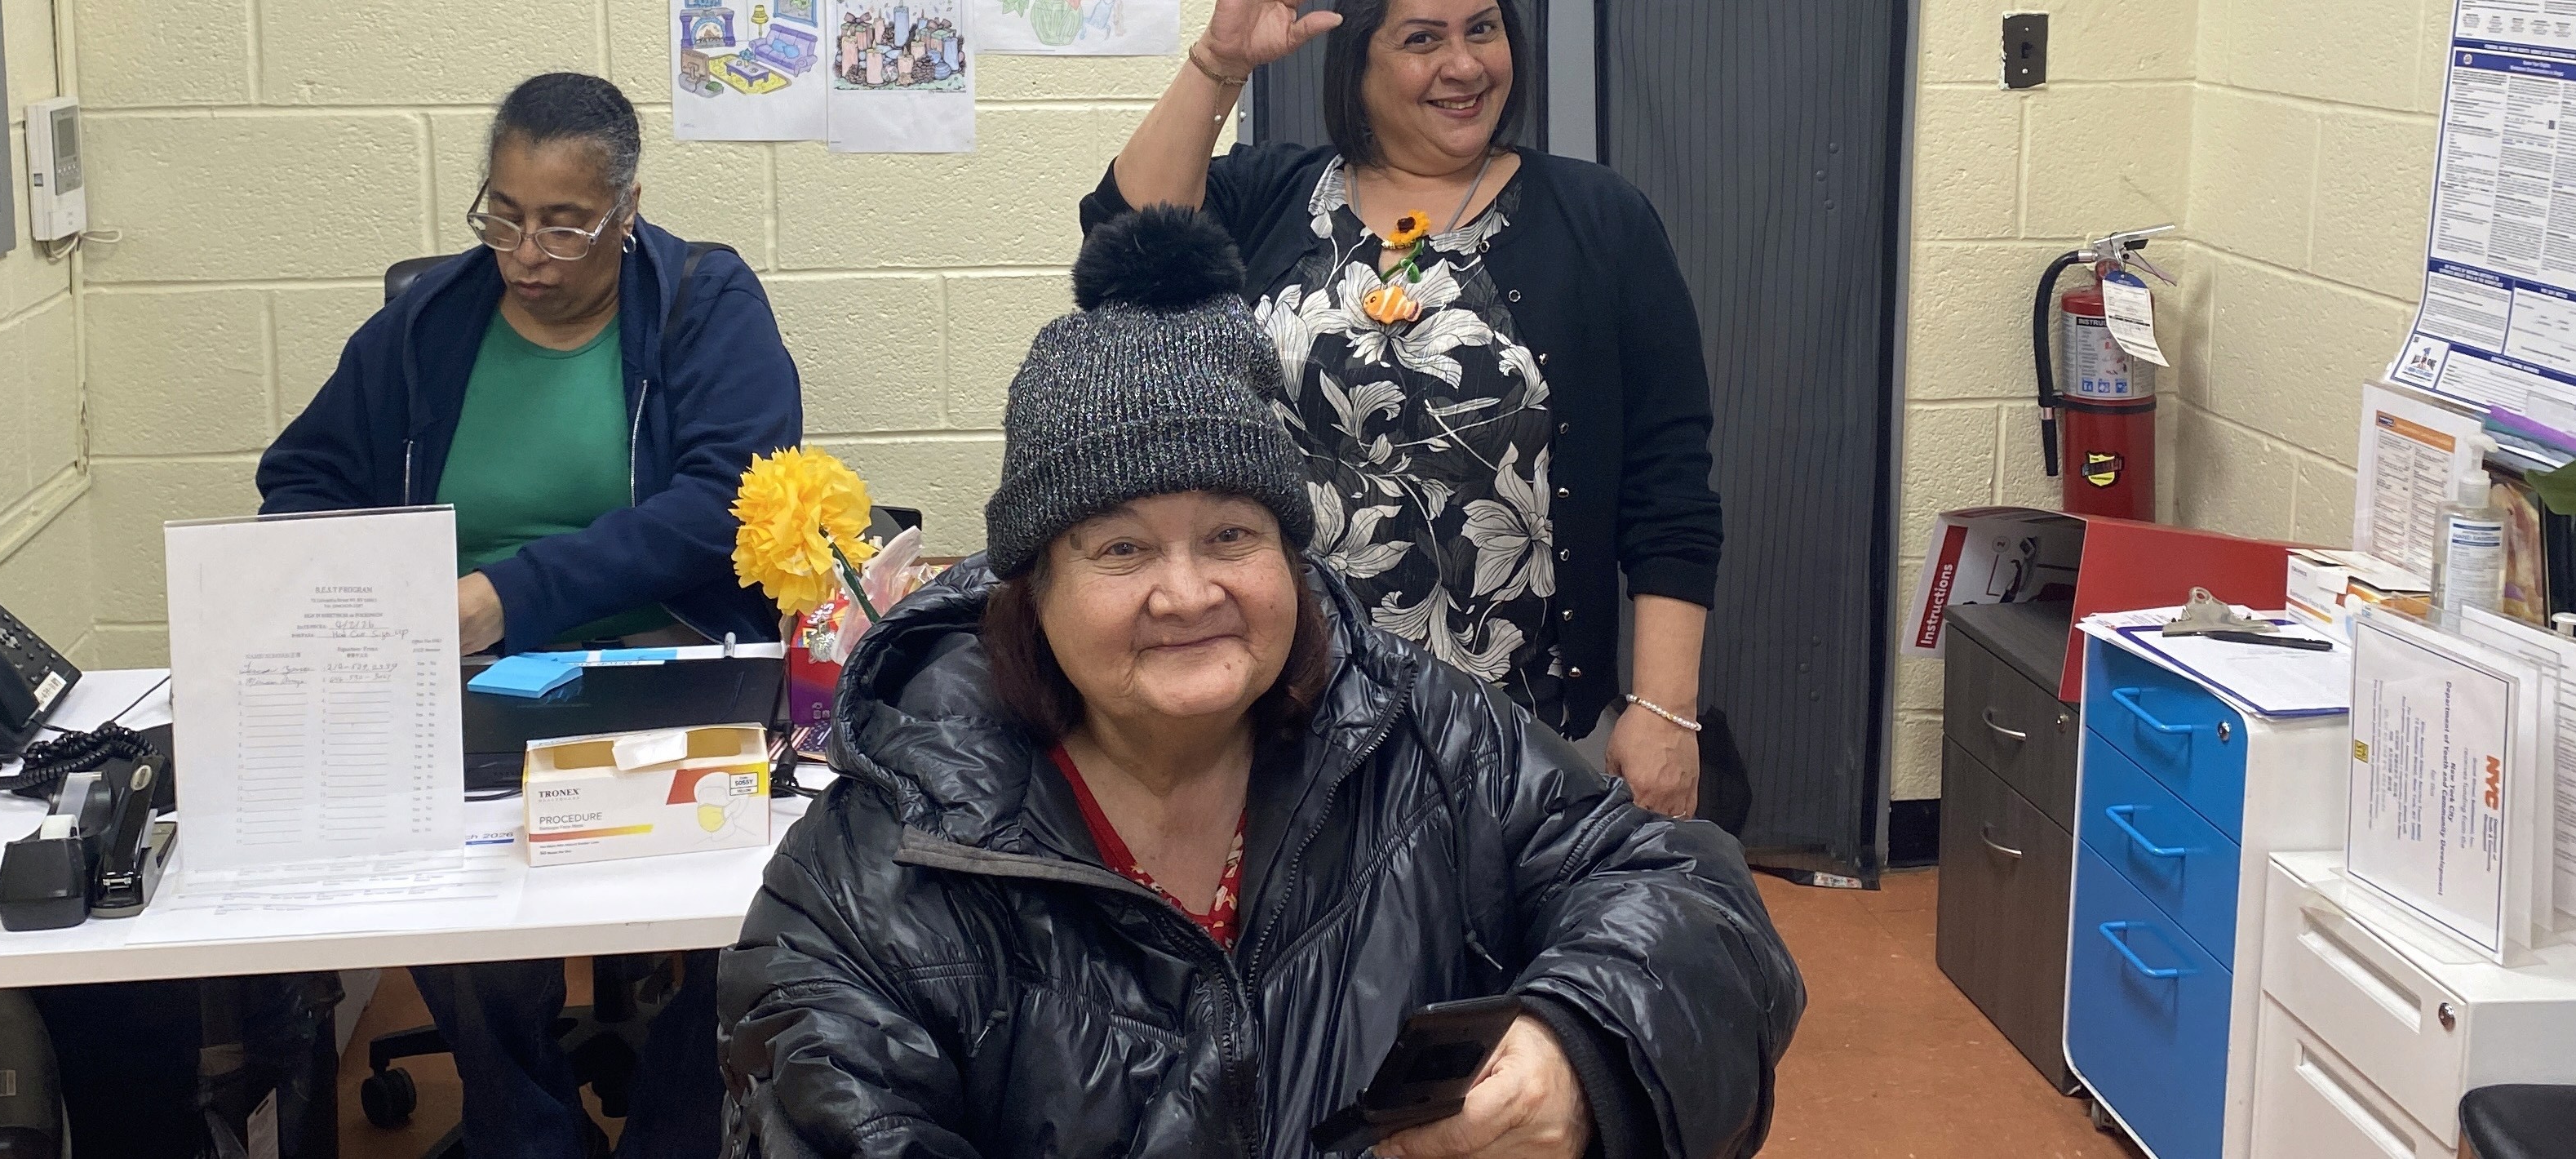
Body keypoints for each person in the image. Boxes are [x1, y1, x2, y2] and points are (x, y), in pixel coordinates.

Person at [721, 209, 1801, 1159]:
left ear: (1291, 557)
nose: (1189, 593)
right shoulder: (874, 873)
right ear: (1030, 590)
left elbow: (1691, 903)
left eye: (1232, 534)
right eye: (1122, 551)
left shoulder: (1418, 734)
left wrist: (1583, 1052)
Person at [1082, 0, 1727, 816]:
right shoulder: (1275, 196)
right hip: (1282, 722)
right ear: (1359, 66)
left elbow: (1671, 478)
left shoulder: (1600, 221)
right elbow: (1120, 243)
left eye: (1483, 30)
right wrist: (1219, 63)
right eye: (1422, 39)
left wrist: (1668, 708)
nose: (1463, 65)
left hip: (1520, 731)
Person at [261, 70, 800, 1159]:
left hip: (660, 658)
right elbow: (301, 479)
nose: (526, 254)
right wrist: (373, 591)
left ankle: (680, 1136)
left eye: (563, 224)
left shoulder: (702, 303)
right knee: (441, 892)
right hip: (462, 678)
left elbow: (721, 504)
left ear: (628, 209)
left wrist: (507, 595)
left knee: (733, 902)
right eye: (504, 216)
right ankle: (529, 1133)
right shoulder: (431, 325)